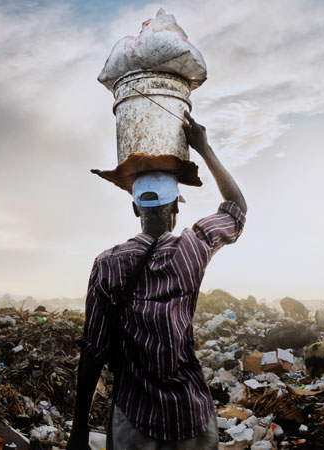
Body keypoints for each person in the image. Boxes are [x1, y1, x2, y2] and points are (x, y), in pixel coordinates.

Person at [69, 112, 247, 449]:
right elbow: (236, 206)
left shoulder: (107, 264)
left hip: (136, 422)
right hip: (191, 417)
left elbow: (93, 352)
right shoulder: (193, 249)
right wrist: (204, 148)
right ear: (175, 208)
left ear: (136, 210)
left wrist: (79, 431)